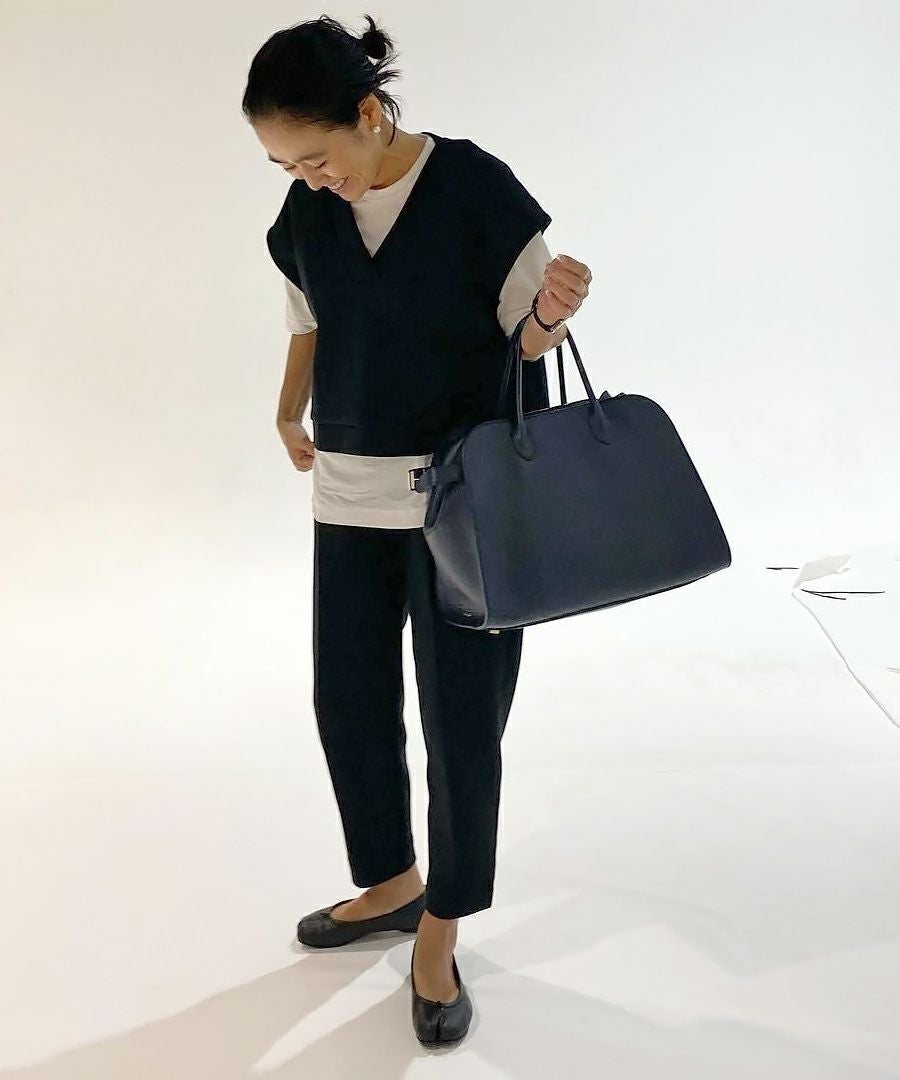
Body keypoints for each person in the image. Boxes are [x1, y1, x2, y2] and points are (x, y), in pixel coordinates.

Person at [242, 13, 591, 1046]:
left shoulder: (478, 190)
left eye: (316, 157)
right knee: (347, 701)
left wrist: (551, 315)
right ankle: (392, 880)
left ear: (367, 112)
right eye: (284, 166)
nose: (309, 180)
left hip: (465, 503)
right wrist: (287, 410)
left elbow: (525, 342)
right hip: (349, 496)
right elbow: (307, 316)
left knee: (461, 720)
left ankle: (442, 927)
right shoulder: (306, 213)